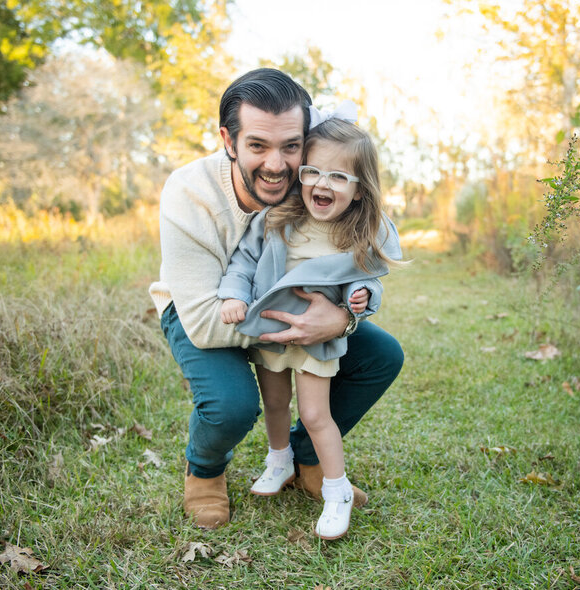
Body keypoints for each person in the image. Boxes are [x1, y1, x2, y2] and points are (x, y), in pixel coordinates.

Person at [149, 68, 404, 530]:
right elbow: (206, 324)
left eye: (290, 146)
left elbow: (371, 226)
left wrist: (343, 317)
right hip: (206, 310)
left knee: (382, 355)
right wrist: (306, 327)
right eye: (257, 146)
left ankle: (307, 460)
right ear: (229, 140)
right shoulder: (189, 193)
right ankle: (204, 473)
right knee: (233, 404)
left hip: (290, 307)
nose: (276, 164)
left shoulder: (310, 178)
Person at [217, 107, 402, 539]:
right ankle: (279, 460)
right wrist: (232, 293)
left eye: (338, 177)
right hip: (272, 328)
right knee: (276, 402)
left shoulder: (355, 235)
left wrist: (359, 301)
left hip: (318, 339)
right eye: (313, 171)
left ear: (359, 191)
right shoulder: (278, 218)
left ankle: (335, 489)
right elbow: (244, 261)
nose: (322, 183)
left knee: (316, 414)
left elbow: (370, 282)